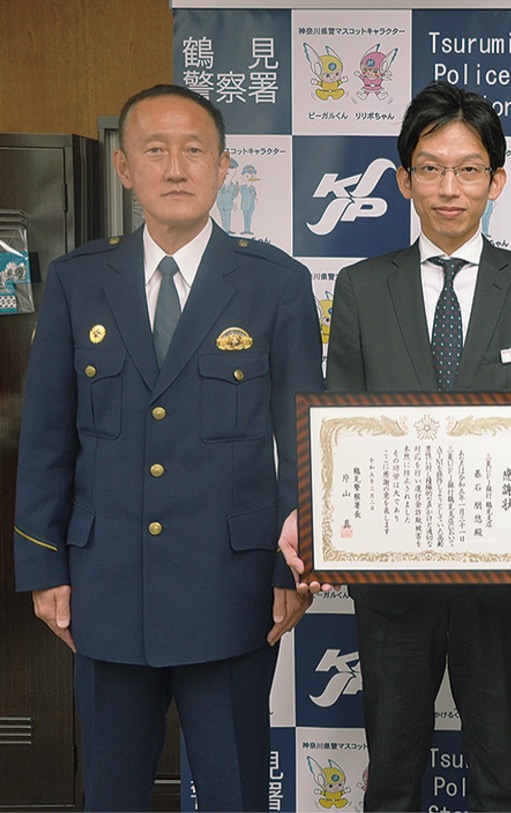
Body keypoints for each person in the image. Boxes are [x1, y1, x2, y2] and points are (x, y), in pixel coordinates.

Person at [11, 84, 324, 811]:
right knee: (112, 792)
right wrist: (43, 565)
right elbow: (47, 435)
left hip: (233, 590)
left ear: (223, 168)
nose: (176, 168)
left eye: (194, 151)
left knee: (235, 790)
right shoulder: (78, 281)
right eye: (155, 150)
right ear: (125, 168)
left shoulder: (276, 283)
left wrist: (293, 565)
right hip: (105, 587)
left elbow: (303, 435)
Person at [301, 80, 511, 812]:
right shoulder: (361, 288)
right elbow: (340, 422)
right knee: (392, 771)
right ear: (404, 180)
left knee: (500, 773)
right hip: (391, 581)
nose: (448, 188)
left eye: (467, 169)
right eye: (430, 168)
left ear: (497, 180)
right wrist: (324, 519)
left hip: (500, 577)